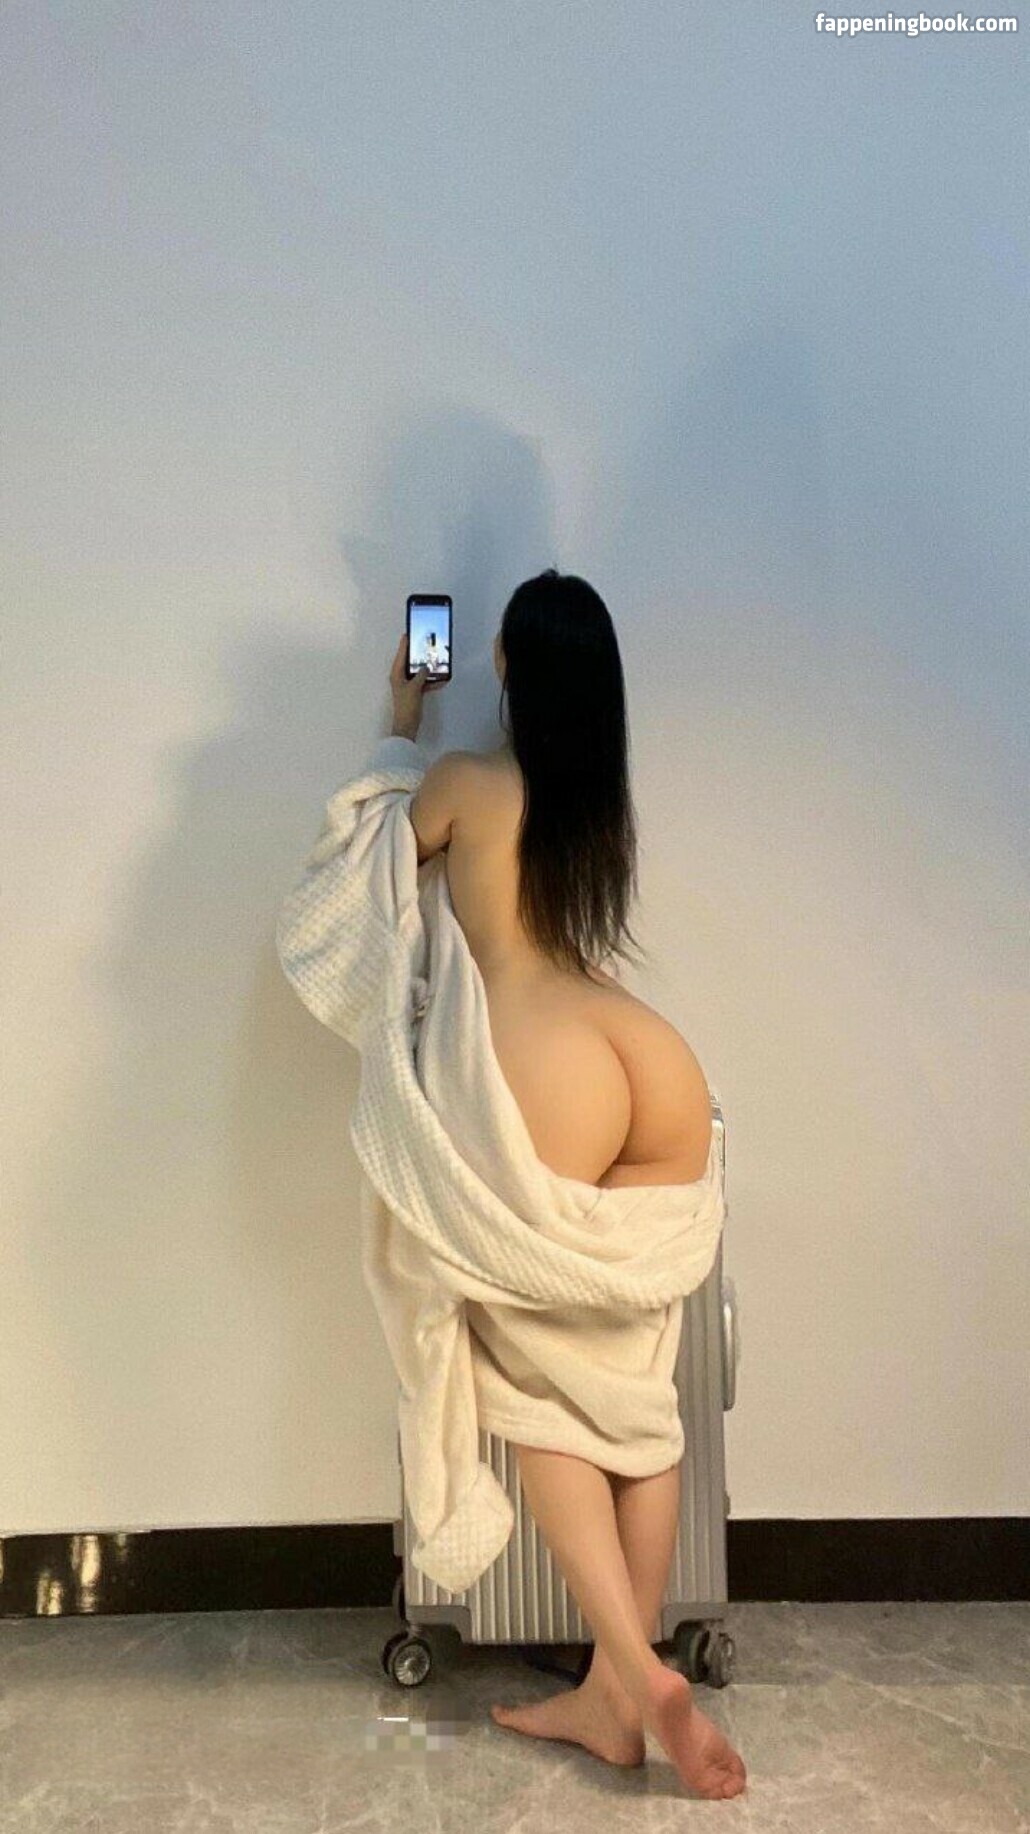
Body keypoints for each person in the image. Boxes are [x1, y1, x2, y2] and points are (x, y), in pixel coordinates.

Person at [390, 569, 746, 1800]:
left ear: (502, 661)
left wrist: (401, 715)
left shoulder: (467, 782)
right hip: (649, 1057)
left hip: (546, 1060)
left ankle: (636, 1672)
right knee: (634, 1392)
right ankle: (611, 1694)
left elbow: (372, 871)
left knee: (537, 1383)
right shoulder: (598, 794)